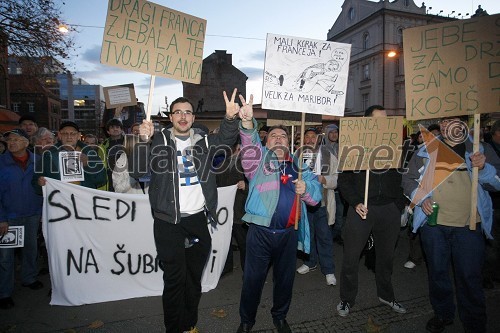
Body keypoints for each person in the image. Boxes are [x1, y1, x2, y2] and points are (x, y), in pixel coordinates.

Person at [131, 90, 241, 333]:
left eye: (187, 112)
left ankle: (189, 324)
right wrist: (142, 141)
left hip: (197, 220)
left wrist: (231, 118)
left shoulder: (204, 142)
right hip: (167, 222)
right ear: (170, 117)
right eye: (177, 112)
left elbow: (226, 138)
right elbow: (137, 172)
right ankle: (173, 328)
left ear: (193, 117)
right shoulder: (157, 140)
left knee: (193, 278)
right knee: (174, 279)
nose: (183, 116)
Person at [402, 115, 500, 333]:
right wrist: (420, 197)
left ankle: (474, 323)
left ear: (464, 123)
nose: (447, 125)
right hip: (434, 226)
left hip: (468, 227)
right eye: (444, 121)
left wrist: (483, 169)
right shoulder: (426, 151)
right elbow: (408, 180)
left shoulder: (479, 149)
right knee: (437, 274)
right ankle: (443, 314)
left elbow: (497, 184)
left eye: (453, 120)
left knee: (469, 276)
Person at [236, 109, 322, 332]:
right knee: (252, 281)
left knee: (285, 281)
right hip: (260, 233)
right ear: (266, 139)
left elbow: (316, 196)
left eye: (282, 136)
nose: (277, 139)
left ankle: (280, 316)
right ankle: (246, 321)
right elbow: (249, 144)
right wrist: (247, 123)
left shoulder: (299, 166)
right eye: (273, 135)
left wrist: (306, 190)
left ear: (289, 140)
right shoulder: (257, 161)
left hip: (288, 234)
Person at [336, 105, 407, 317]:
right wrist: (356, 202)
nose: (383, 124)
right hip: (361, 209)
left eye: (386, 120)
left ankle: (386, 294)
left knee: (385, 258)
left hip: (388, 210)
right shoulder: (353, 146)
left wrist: (398, 204)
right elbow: (344, 181)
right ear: (367, 122)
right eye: (378, 120)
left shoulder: (394, 145)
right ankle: (346, 299)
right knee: (350, 258)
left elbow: (401, 177)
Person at [0, 129, 44, 309]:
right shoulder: (1, 163)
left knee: (30, 249)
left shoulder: (38, 161)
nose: (11, 143)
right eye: (9, 140)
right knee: (5, 256)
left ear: (27, 143)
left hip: (33, 214)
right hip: (9, 217)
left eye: (16, 139)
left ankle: (29, 278)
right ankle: (4, 292)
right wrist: (1, 218)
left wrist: (43, 213)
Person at [296, 127, 337, 286]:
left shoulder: (329, 155)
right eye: (307, 136)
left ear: (318, 139)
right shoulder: (297, 155)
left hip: (322, 203)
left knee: (324, 237)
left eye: (313, 136)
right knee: (307, 235)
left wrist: (323, 179)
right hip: (303, 204)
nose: (310, 139)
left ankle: (328, 270)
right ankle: (310, 262)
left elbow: (336, 179)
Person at [34, 121, 106, 191]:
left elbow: (102, 180)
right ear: (59, 135)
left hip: (83, 200)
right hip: (61, 200)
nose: (69, 137)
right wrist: (39, 184)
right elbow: (36, 183)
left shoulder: (90, 153)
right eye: (65, 133)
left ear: (78, 136)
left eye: (73, 134)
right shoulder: (48, 155)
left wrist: (87, 165)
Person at [215, 141, 248, 276]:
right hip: (228, 209)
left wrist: (246, 185)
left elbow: (255, 184)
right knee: (229, 242)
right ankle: (228, 266)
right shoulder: (223, 164)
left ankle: (246, 269)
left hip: (236, 209)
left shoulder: (246, 165)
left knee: (242, 242)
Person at [484, 120, 500, 289]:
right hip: (493, 203)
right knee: (492, 242)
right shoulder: (487, 149)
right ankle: (487, 274)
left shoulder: (485, 149)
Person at [324, 123, 345, 244]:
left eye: (336, 132)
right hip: (328, 187)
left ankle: (337, 234)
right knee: (328, 213)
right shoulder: (322, 149)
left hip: (342, 186)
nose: (334, 135)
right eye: (331, 132)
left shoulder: (343, 148)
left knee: (340, 212)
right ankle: (328, 236)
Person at [99, 118, 125, 191]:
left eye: (117, 127)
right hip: (109, 177)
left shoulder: (129, 143)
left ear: (121, 130)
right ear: (108, 131)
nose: (115, 129)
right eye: (112, 127)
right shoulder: (103, 146)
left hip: (126, 177)